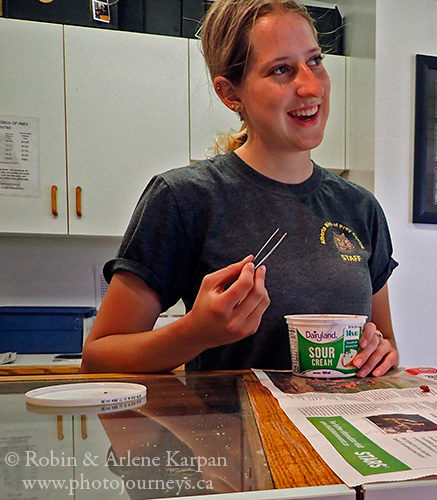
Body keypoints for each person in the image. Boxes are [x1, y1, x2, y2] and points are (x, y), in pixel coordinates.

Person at [81, 0, 399, 376]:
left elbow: (387, 348)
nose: (311, 86)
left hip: (338, 431)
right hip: (230, 435)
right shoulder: (183, 198)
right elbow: (99, 356)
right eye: (281, 70)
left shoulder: (360, 209)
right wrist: (194, 333)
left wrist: (381, 353)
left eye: (314, 61)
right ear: (230, 93)